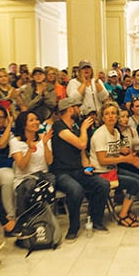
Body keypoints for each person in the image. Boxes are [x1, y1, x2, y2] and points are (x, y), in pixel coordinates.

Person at [51, 97, 110, 242]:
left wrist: (88, 167)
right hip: (62, 172)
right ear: (70, 109)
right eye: (77, 108)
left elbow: (81, 152)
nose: (79, 110)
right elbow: (82, 144)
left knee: (103, 184)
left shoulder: (75, 128)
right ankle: (73, 228)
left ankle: (96, 220)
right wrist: (84, 129)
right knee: (75, 190)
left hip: (78, 170)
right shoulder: (58, 126)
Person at [89, 102, 139, 227]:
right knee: (134, 183)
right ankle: (122, 215)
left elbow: (114, 154)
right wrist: (126, 160)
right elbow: (102, 160)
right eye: (107, 114)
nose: (111, 116)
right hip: (101, 172)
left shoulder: (116, 132)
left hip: (112, 169)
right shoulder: (100, 134)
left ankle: (125, 211)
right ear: (102, 118)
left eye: (113, 113)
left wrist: (133, 159)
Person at [9, 111, 55, 215]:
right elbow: (22, 166)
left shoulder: (44, 138)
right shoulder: (16, 142)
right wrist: (30, 150)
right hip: (25, 178)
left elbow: (50, 161)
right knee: (33, 187)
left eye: (37, 119)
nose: (36, 122)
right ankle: (29, 220)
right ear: (23, 124)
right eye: (31, 120)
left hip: (43, 176)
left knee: (49, 183)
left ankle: (46, 220)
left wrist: (45, 144)